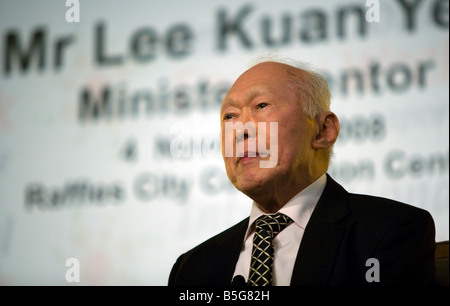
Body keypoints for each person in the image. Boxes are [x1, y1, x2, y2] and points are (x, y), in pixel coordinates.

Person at [168, 59, 436, 286]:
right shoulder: (192, 269)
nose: (241, 130)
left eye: (261, 106)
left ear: (323, 131)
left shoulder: (389, 232)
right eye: (229, 117)